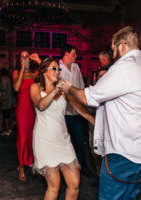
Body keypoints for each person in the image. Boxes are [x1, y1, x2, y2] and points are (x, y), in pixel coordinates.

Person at [61, 26, 141, 200]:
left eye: (113, 48)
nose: (113, 53)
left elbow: (89, 97)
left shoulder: (124, 67)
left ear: (122, 45)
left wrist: (69, 88)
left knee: (111, 196)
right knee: (129, 196)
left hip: (123, 150)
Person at [30, 58, 94, 200]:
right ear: (44, 71)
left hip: (63, 140)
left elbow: (78, 108)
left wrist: (96, 122)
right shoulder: (35, 87)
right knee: (54, 186)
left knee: (75, 183)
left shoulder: (63, 89)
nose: (58, 71)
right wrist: (55, 91)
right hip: (45, 140)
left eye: (58, 69)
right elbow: (40, 105)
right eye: (54, 68)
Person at [59, 45, 91, 176]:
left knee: (79, 141)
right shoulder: (58, 68)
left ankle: (82, 166)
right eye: (73, 54)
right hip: (62, 113)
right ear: (66, 54)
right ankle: (62, 169)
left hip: (77, 111)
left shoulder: (76, 67)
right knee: (63, 142)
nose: (76, 56)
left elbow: (81, 86)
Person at [13, 50, 40, 181]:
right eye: (22, 57)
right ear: (20, 60)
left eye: (27, 57)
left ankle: (32, 162)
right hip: (22, 110)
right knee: (22, 137)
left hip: (34, 109)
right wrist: (23, 68)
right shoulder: (17, 73)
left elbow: (47, 75)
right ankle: (21, 166)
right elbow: (16, 88)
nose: (24, 59)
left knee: (33, 136)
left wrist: (39, 61)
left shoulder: (35, 73)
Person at [0, 68, 13, 135]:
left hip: (6, 100)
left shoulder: (5, 79)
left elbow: (7, 90)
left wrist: (10, 102)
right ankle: (1, 128)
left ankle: (7, 129)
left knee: (6, 116)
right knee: (1, 114)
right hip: (2, 100)